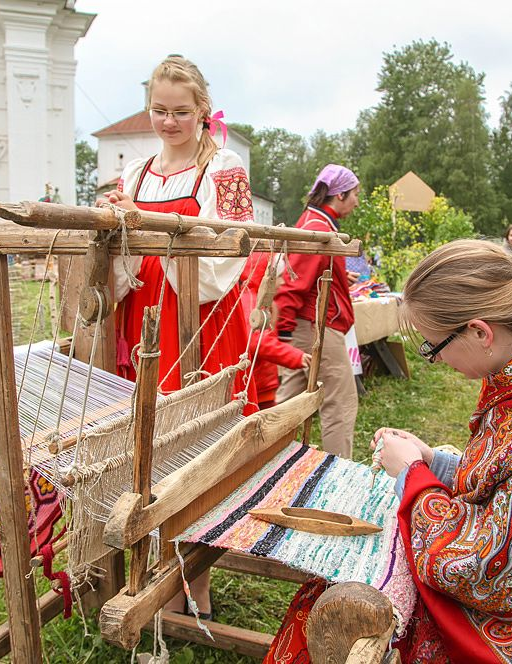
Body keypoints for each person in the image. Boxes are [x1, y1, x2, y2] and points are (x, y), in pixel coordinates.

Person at [265, 240, 512, 664]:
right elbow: (508, 481)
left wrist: (413, 475)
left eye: (433, 346)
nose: (433, 360)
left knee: (332, 611)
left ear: (479, 332)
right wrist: (435, 461)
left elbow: (473, 569)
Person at [98, 55, 256, 618]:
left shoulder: (224, 167)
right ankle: (145, 568)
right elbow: (119, 254)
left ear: (202, 112)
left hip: (200, 319)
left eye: (181, 112)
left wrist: (148, 230)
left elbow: (230, 249)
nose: (169, 121)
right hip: (144, 317)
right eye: (159, 110)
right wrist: (116, 221)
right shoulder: (136, 175)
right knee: (145, 447)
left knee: (198, 443)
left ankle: (198, 579)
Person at [273, 164, 361, 459]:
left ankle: (267, 461)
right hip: (315, 325)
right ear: (339, 195)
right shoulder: (318, 230)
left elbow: (305, 276)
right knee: (340, 402)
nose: (357, 201)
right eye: (355, 194)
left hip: (308, 323)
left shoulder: (316, 223)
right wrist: (284, 332)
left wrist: (336, 278)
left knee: (289, 402)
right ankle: (339, 472)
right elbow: (292, 283)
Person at [240, 252, 310, 409]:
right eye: (278, 276)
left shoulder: (258, 300)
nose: (282, 282)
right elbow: (256, 341)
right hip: (255, 384)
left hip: (260, 382)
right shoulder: (249, 300)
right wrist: (294, 356)